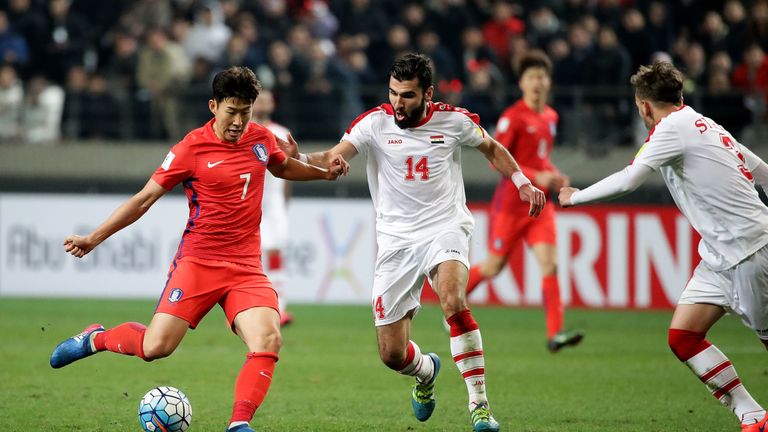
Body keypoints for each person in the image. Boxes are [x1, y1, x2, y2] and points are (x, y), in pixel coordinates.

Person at [49, 66, 348, 432]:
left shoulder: (261, 138)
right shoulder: (191, 148)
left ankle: (239, 424)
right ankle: (96, 338)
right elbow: (144, 199)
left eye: (245, 112)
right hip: (198, 263)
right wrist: (92, 238)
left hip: (245, 267)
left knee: (268, 338)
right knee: (155, 347)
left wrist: (324, 172)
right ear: (213, 106)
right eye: (231, 112)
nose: (238, 121)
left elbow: (283, 168)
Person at [279, 53, 546, 432]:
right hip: (395, 242)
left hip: (445, 227)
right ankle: (426, 372)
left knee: (453, 298)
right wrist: (302, 157)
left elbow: (493, 149)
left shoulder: (453, 120)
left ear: (427, 94)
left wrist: (521, 182)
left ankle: (480, 406)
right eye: (392, 93)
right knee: (391, 354)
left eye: (406, 95)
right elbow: (332, 156)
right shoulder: (373, 123)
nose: (397, 103)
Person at [559, 61, 768, 432]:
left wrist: (576, 197)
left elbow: (629, 179)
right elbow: (761, 170)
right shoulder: (705, 124)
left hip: (751, 253)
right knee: (683, 336)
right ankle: (751, 414)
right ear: (680, 95)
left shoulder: (670, 129)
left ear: (643, 106)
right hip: (721, 257)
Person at [463, 50, 583, 353]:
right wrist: (534, 177)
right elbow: (495, 162)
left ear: (549, 82)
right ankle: (453, 305)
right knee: (492, 267)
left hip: (540, 207)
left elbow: (540, 159)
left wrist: (553, 175)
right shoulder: (511, 118)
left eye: (541, 76)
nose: (537, 82)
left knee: (550, 264)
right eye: (531, 77)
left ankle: (555, 335)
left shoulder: (550, 117)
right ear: (521, 83)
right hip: (511, 206)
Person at [252, 88, 293, 326]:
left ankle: (280, 307)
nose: (263, 104)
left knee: (276, 252)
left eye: (267, 100)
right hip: (250, 202)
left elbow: (289, 171)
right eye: (259, 100)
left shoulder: (281, 133)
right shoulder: (243, 131)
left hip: (274, 201)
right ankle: (245, 308)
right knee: (251, 256)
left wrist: (285, 203)